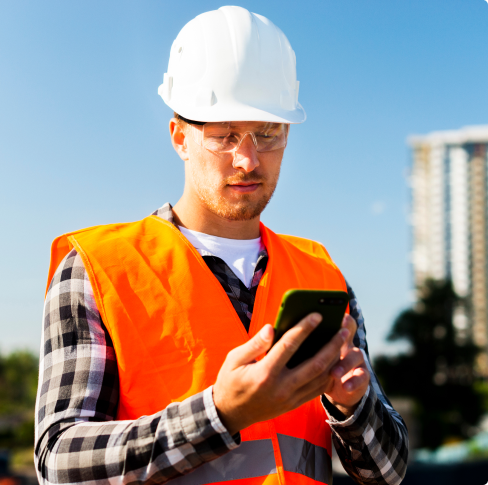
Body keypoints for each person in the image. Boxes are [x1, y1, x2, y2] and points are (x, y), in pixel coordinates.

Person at [35, 6, 408, 485]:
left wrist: (353, 407)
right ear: (180, 137)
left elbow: (389, 474)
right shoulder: (98, 270)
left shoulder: (321, 274)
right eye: (224, 135)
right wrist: (219, 414)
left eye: (267, 134)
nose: (248, 160)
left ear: (287, 135)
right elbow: (59, 463)